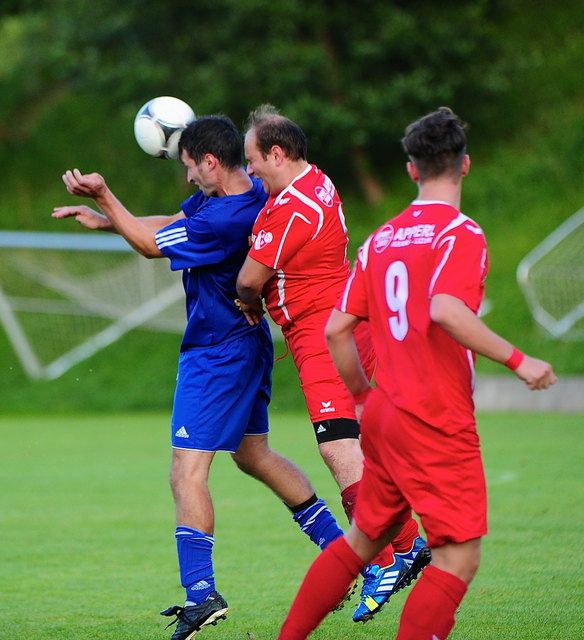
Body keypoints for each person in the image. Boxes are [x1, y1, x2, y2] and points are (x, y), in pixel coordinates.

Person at [52, 115, 346, 640]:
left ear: (210, 161)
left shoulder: (224, 219)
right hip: (245, 345)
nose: (186, 177)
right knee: (253, 454)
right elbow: (167, 220)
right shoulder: (249, 190)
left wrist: (105, 194)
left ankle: (200, 592)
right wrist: (105, 220)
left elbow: (149, 244)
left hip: (217, 351)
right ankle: (343, 553)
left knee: (185, 472)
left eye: (189, 167)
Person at [275, 106, 558, 640]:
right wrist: (522, 361)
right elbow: (447, 311)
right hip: (436, 418)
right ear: (465, 165)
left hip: (384, 411)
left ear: (411, 170)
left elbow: (337, 328)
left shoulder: (381, 238)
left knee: (362, 541)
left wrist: (362, 395)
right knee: (457, 558)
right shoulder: (459, 232)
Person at [236, 104, 429, 623]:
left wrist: (252, 303)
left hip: (322, 332)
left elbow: (249, 281)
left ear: (277, 154)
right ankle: (406, 543)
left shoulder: (291, 208)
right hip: (341, 319)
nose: (249, 170)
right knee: (360, 443)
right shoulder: (316, 179)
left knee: (339, 448)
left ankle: (385, 559)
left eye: (252, 159)